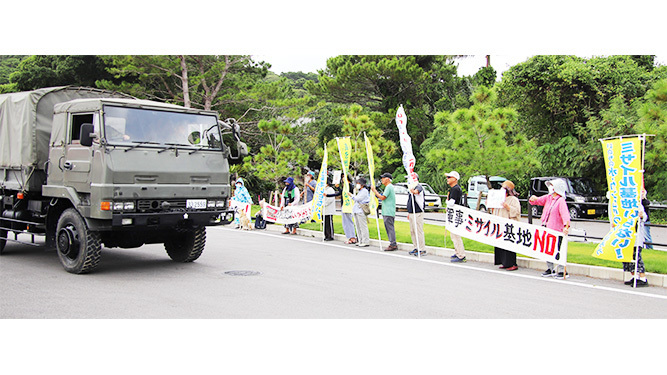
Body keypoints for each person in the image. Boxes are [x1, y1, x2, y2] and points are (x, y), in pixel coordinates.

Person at [529, 179, 571, 279]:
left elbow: (565, 215)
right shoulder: (549, 198)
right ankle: (550, 268)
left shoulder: (560, 200)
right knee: (548, 248)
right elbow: (537, 201)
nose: (550, 187)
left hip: (557, 230)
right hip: (546, 228)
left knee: (558, 249)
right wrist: (533, 199)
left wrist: (566, 226)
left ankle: (561, 270)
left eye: (552, 185)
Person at [491, 180, 521, 271]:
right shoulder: (499, 199)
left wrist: (508, 207)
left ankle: (512, 263)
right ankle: (504, 262)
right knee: (500, 244)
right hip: (500, 224)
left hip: (509, 225)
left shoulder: (513, 199)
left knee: (509, 244)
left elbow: (517, 212)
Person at [623, 202, 649, 287]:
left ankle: (643, 278)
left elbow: (644, 217)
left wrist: (641, 216)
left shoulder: (637, 204)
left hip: (636, 237)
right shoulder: (623, 204)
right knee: (628, 257)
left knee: (637, 257)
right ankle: (635, 276)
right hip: (626, 236)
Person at [371, 172, 397, 251]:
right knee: (389, 227)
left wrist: (374, 191)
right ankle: (392, 243)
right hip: (387, 211)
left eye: (383, 178)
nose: (382, 179)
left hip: (388, 211)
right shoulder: (388, 187)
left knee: (389, 227)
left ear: (388, 179)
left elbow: (382, 197)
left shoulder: (389, 187)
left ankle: (393, 244)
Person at [446, 171, 467, 262]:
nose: (447, 179)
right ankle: (457, 251)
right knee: (453, 235)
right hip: (454, 214)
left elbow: (451, 203)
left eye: (449, 177)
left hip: (456, 214)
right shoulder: (454, 189)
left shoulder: (455, 189)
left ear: (455, 179)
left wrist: (447, 200)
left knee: (456, 235)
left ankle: (461, 255)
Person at [407, 173, 426, 257]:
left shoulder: (418, 186)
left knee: (418, 231)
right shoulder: (410, 188)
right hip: (411, 213)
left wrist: (412, 190)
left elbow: (416, 192)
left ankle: (422, 249)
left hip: (418, 213)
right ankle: (416, 247)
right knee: (412, 231)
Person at [348, 177, 370, 247]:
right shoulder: (360, 191)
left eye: (358, 183)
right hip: (356, 210)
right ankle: (360, 240)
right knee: (358, 226)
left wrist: (351, 195)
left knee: (363, 226)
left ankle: (365, 241)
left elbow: (358, 199)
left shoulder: (364, 191)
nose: (357, 185)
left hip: (361, 210)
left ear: (362, 184)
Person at [339, 174, 357, 244]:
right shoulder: (345, 186)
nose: (342, 178)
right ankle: (350, 237)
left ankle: (352, 237)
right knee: (345, 222)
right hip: (344, 206)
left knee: (348, 221)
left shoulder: (350, 186)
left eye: (344, 177)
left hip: (348, 206)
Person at [323, 176, 336, 241]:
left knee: (329, 223)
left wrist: (324, 204)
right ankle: (326, 235)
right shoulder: (324, 189)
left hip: (329, 209)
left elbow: (330, 199)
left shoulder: (330, 190)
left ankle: (330, 235)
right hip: (324, 210)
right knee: (325, 223)